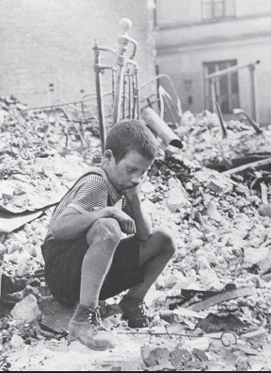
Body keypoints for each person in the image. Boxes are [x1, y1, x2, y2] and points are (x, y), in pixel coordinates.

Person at [42, 119, 177, 351]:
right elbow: (58, 229)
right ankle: (83, 319)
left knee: (164, 240)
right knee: (108, 227)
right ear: (108, 158)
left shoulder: (124, 186)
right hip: (61, 275)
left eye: (142, 173)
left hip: (88, 275)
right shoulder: (97, 182)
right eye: (131, 169)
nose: (135, 178)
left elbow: (145, 236)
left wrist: (134, 198)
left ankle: (132, 302)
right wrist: (106, 211)